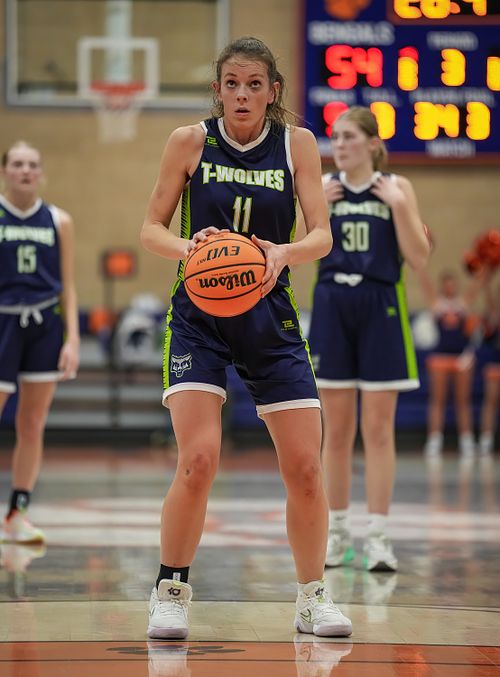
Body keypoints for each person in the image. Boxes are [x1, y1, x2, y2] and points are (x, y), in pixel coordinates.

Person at [140, 36, 352, 639]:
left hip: (270, 315)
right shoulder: (189, 141)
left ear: (272, 91)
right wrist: (190, 249)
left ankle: (312, 598)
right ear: (218, 89)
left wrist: (282, 253)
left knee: (306, 468)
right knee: (198, 460)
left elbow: (321, 235)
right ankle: (170, 590)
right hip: (198, 318)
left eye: (254, 84)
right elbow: (151, 228)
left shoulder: (297, 144)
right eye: (231, 83)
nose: (242, 94)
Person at [307, 106, 431, 572]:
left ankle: (378, 536)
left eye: (349, 136)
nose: (339, 144)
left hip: (382, 306)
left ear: (373, 143)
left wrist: (399, 206)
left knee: (378, 430)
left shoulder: (397, 187)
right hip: (333, 304)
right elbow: (300, 250)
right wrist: (317, 209)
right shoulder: (323, 186)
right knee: (336, 431)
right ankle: (337, 534)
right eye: (335, 136)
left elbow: (418, 257)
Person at [0, 141, 80, 544]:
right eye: (17, 164)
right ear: (5, 171)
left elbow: (68, 284)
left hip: (45, 323)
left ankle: (17, 514)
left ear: (41, 173)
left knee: (31, 423)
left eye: (32, 164)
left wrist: (73, 339)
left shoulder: (58, 220)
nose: (26, 170)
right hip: (2, 321)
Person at [415, 267, 485, 461]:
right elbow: (425, 283)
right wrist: (421, 266)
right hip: (440, 357)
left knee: (463, 400)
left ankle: (466, 441)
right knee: (437, 400)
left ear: (457, 286)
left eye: (453, 285)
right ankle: (434, 440)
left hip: (461, 358)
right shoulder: (437, 304)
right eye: (447, 285)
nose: (450, 288)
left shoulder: (462, 304)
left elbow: (476, 287)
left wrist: (484, 268)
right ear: (442, 286)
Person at [478, 273, 500, 458]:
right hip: (496, 363)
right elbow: (491, 304)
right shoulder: (495, 315)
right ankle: (486, 440)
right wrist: (486, 284)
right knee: (490, 400)